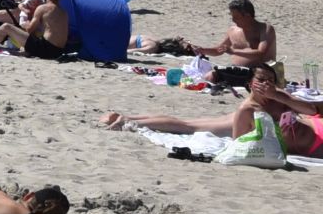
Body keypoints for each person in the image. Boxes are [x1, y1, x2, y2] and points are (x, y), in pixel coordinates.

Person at [102, 68, 323, 154]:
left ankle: (129, 118)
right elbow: (238, 143)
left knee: (189, 123)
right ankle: (130, 121)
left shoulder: (279, 96)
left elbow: (310, 109)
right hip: (247, 122)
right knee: (188, 126)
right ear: (250, 83)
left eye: (270, 81)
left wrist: (277, 95)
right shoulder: (248, 108)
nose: (266, 84)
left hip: (300, 127)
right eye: (261, 80)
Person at [195, 0, 277, 70]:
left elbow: (261, 53)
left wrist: (233, 51)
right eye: (232, 16)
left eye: (236, 17)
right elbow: (218, 50)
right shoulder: (232, 30)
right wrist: (202, 50)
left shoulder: (265, 29)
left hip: (261, 72)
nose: (233, 20)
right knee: (209, 76)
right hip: (236, 70)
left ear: (248, 16)